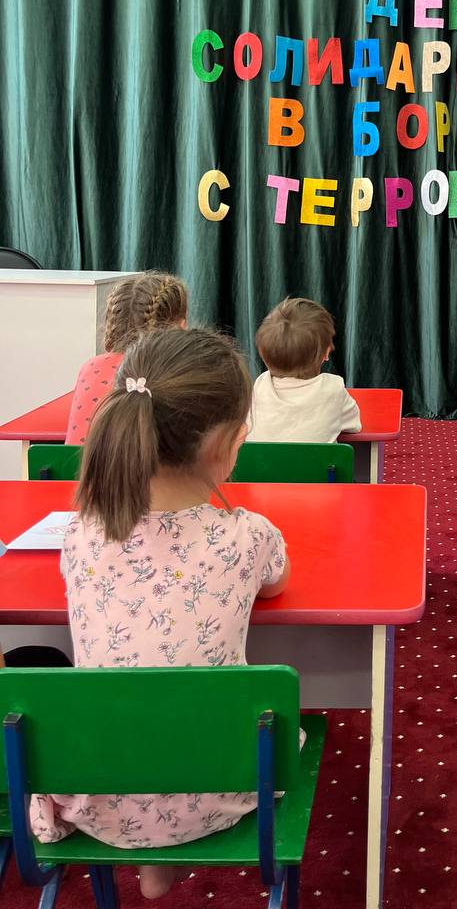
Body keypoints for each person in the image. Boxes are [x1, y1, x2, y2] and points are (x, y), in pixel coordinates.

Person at [31, 328, 290, 900]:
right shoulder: (247, 536)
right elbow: (277, 583)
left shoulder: (80, 534)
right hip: (219, 787)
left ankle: (152, 859)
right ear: (226, 445)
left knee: (132, 714)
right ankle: (163, 855)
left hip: (97, 790)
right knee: (250, 725)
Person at [65, 272, 188, 444]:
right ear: (181, 326)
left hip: (78, 462)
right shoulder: (177, 372)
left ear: (112, 324)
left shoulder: (91, 367)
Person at [248, 297, 360, 443]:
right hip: (318, 460)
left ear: (264, 356)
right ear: (326, 353)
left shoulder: (259, 387)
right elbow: (354, 425)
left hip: (260, 459)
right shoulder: (333, 389)